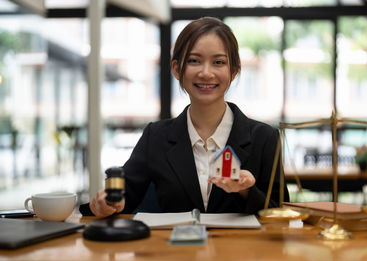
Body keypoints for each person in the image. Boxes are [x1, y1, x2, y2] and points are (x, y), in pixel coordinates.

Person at [81, 17, 289, 218]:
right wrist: (107, 204)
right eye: (194, 61)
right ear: (176, 69)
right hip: (176, 251)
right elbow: (124, 197)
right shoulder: (157, 136)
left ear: (233, 71)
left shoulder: (265, 138)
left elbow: (283, 214)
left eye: (218, 62)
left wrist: (246, 190)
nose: (206, 73)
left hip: (241, 253)